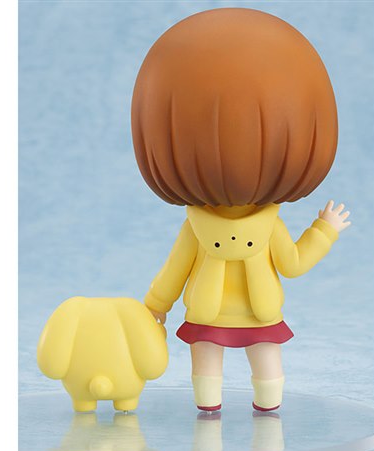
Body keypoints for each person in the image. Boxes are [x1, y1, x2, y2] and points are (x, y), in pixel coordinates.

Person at [131, 8, 351, 412]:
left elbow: (173, 271)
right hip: (261, 314)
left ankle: (209, 409)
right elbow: (294, 264)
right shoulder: (270, 226)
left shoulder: (195, 227)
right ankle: (268, 408)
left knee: (208, 367)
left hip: (206, 313)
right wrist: (325, 229)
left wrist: (155, 305)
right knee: (267, 365)